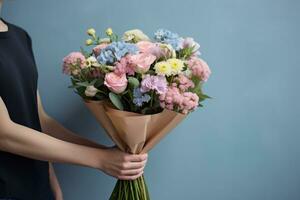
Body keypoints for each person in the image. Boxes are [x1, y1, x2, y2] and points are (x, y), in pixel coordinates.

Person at [0, 1, 148, 199]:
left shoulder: (20, 36)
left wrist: (115, 156)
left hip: (37, 188)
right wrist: (102, 159)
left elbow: (40, 121)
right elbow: (5, 134)